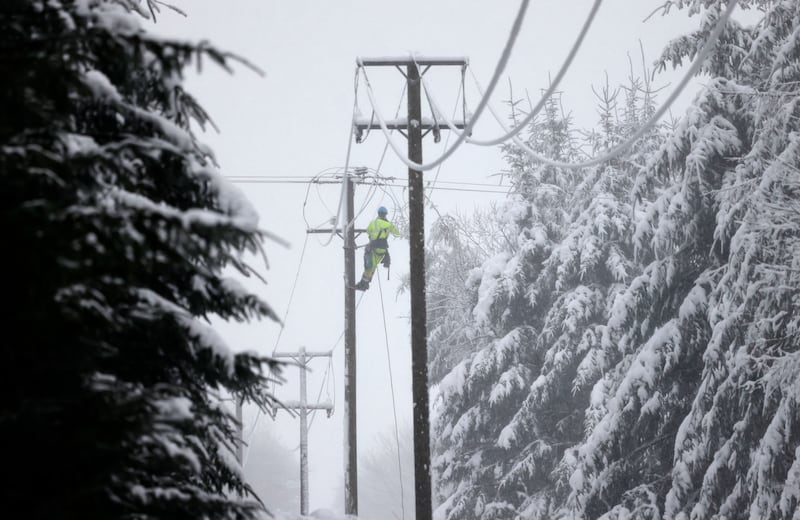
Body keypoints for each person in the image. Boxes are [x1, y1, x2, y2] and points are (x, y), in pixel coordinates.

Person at [354, 206, 400, 291]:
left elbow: (368, 231)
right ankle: (365, 283)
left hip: (372, 247)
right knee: (373, 266)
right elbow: (397, 234)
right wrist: (390, 228)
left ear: (378, 213)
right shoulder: (389, 225)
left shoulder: (373, 223)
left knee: (369, 266)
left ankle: (364, 284)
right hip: (382, 249)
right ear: (385, 214)